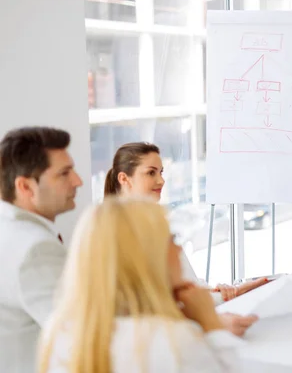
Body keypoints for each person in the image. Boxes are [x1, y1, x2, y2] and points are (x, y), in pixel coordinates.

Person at [38, 198, 242, 373]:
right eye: (171, 239)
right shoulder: (172, 340)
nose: (179, 248)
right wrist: (212, 325)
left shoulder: (59, 330)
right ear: (145, 255)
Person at [104, 142, 265, 336]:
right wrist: (214, 316)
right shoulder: (119, 234)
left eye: (161, 172)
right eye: (151, 173)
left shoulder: (152, 226)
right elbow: (155, 308)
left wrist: (223, 294)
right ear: (124, 178)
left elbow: (183, 290)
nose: (161, 181)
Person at [0, 127, 83, 373]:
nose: (77, 181)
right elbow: (79, 338)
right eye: (64, 173)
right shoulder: (35, 249)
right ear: (26, 187)